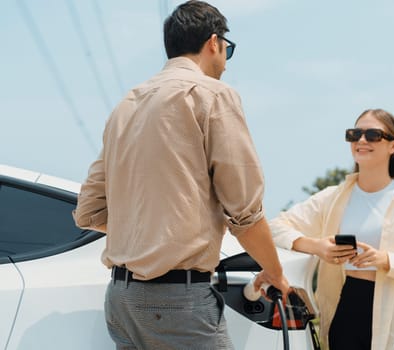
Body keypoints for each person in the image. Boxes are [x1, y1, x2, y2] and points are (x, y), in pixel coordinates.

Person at [72, 1, 289, 349]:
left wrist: (152, 231)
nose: (224, 62)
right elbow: (245, 213)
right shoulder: (212, 94)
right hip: (177, 302)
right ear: (214, 43)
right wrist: (276, 273)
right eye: (227, 51)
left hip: (121, 300)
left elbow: (89, 212)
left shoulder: (127, 104)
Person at [270, 109, 394, 350]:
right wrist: (317, 247)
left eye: (373, 135)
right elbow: (274, 227)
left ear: (393, 146)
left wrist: (386, 260)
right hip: (348, 309)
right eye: (354, 134)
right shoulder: (333, 198)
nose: (362, 140)